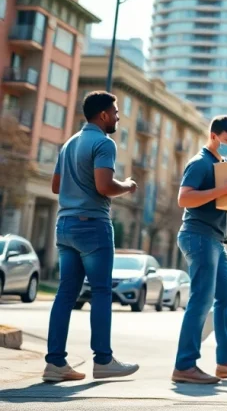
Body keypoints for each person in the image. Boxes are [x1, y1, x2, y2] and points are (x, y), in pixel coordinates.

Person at [43, 91, 140, 383]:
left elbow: (56, 187)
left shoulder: (69, 143)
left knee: (65, 294)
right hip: (93, 226)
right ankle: (103, 360)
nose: (118, 117)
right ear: (103, 115)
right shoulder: (103, 143)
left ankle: (55, 363)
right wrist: (128, 185)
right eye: (116, 112)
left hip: (65, 225)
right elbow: (104, 186)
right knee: (100, 292)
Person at [171, 116, 227, 384]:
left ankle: (225, 363)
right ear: (214, 136)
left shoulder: (221, 165)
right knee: (201, 299)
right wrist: (221, 189)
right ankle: (185, 365)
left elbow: (219, 198)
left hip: (215, 239)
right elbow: (184, 198)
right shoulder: (200, 163)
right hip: (198, 236)